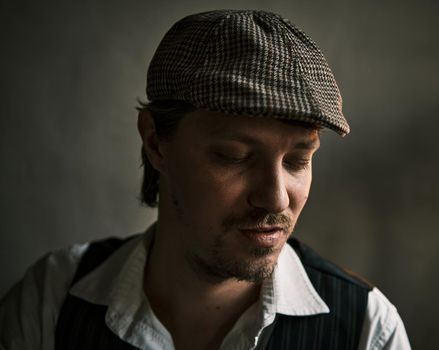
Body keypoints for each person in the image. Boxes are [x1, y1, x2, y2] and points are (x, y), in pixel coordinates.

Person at [0, 9, 411, 350]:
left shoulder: (367, 330)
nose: (274, 199)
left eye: (298, 161)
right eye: (234, 156)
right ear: (156, 142)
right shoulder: (52, 299)